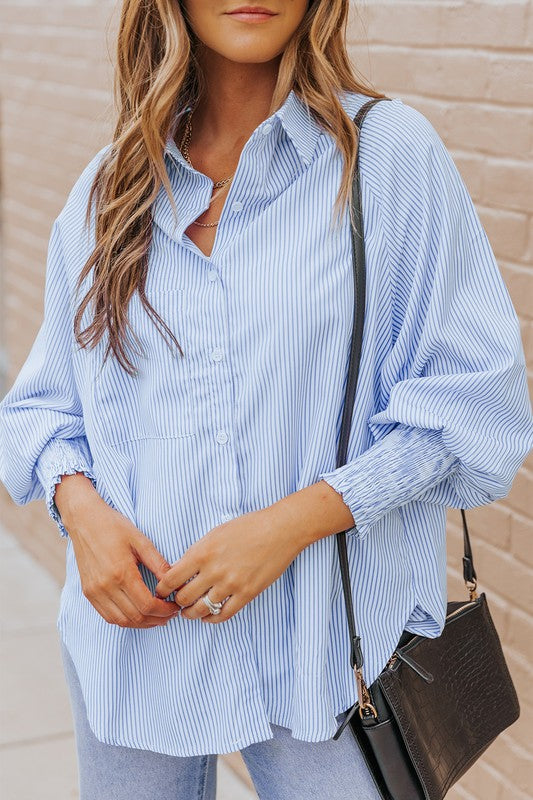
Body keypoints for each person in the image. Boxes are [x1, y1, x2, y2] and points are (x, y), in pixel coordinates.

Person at [1, 1, 532, 798]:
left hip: (324, 657)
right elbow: (41, 403)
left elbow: (475, 403)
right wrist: (81, 512)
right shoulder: (111, 190)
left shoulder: (385, 157)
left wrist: (292, 523)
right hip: (136, 653)